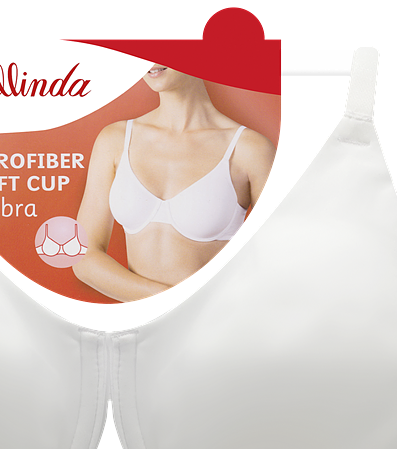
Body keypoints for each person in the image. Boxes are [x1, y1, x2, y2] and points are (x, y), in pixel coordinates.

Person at [73, 64, 277, 302]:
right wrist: (166, 300)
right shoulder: (115, 140)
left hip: (213, 319)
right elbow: (83, 255)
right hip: (145, 323)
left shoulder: (249, 150)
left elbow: (277, 259)